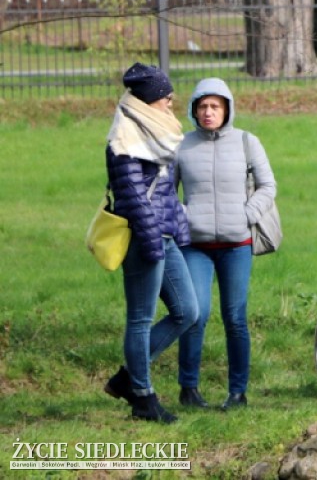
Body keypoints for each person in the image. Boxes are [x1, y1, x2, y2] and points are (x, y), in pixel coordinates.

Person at [102, 62, 198, 424]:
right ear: (148, 101)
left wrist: (177, 233)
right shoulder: (125, 139)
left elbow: (167, 195)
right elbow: (132, 197)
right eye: (166, 99)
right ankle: (142, 397)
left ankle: (128, 377)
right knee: (140, 318)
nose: (171, 105)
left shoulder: (156, 132)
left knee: (188, 310)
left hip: (165, 234)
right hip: (144, 237)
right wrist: (153, 243)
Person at [175, 78, 276, 411]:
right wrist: (184, 217)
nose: (208, 112)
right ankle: (188, 389)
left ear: (227, 109)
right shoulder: (181, 146)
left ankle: (238, 392)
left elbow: (267, 186)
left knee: (235, 317)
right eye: (202, 106)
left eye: (215, 106)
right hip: (195, 246)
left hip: (237, 244)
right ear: (194, 110)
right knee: (195, 314)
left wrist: (246, 215)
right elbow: (164, 193)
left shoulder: (248, 142)